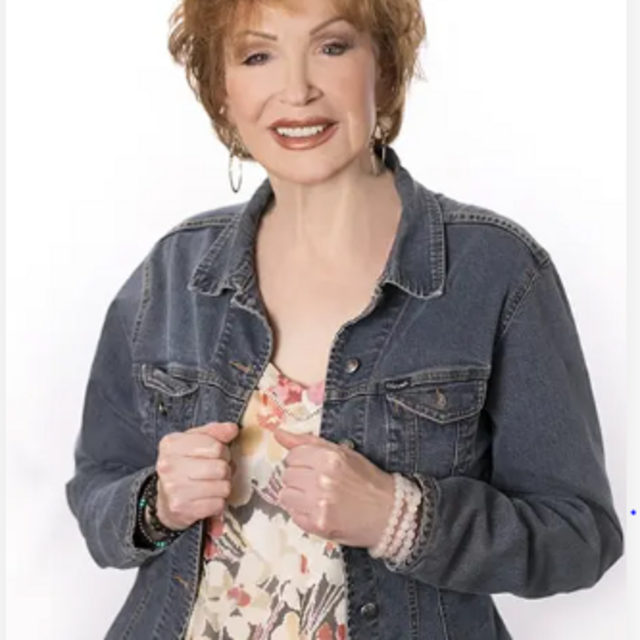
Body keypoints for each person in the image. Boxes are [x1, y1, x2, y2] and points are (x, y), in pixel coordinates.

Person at [66, 0, 623, 638]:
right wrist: (157, 503)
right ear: (222, 92)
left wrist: (401, 517)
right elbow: (97, 490)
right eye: (257, 55)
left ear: (383, 67)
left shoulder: (495, 270)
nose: (297, 89)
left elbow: (580, 536)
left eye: (331, 47)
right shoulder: (174, 272)